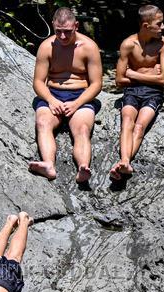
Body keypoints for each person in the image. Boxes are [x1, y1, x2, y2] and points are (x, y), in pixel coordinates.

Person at [28, 8, 103, 183]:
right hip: (53, 93)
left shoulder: (89, 47)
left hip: (81, 95)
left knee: (82, 129)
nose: (62, 36)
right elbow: (38, 82)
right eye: (58, 32)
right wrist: (51, 100)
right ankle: (48, 164)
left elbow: (97, 84)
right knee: (43, 123)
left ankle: (83, 167)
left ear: (76, 26)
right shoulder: (47, 46)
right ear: (53, 25)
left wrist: (76, 104)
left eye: (67, 32)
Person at [110, 4, 164, 180]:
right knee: (127, 121)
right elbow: (119, 81)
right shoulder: (128, 45)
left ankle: (124, 162)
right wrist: (150, 73)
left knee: (139, 126)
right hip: (132, 91)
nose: (163, 27)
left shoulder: (163, 44)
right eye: (159, 24)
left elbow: (163, 80)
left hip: (153, 93)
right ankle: (124, 161)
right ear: (146, 26)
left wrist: (133, 73)